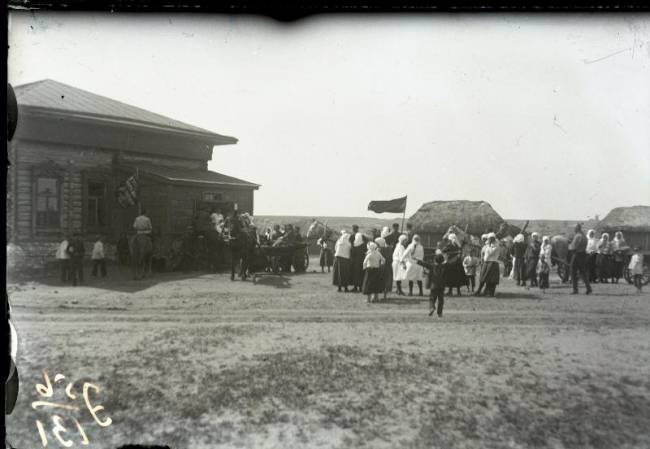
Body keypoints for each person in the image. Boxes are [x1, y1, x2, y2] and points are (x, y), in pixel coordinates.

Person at [417, 253, 446, 318]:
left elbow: (424, 264)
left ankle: (432, 308)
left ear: (435, 260)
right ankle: (439, 313)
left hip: (433, 286)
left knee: (432, 299)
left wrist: (417, 261)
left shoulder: (432, 266)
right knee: (441, 300)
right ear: (442, 260)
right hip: (441, 286)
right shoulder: (444, 267)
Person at [569, 223, 592, 295]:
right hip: (583, 255)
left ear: (577, 228)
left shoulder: (577, 236)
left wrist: (569, 246)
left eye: (574, 228)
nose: (574, 229)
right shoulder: (584, 236)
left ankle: (575, 289)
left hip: (577, 255)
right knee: (583, 272)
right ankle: (588, 288)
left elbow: (573, 247)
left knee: (573, 272)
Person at [349, 225, 367, 293]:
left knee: (356, 273)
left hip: (355, 258)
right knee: (361, 273)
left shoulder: (352, 237)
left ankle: (356, 287)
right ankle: (360, 287)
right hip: (361, 258)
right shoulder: (362, 236)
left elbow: (351, 247)